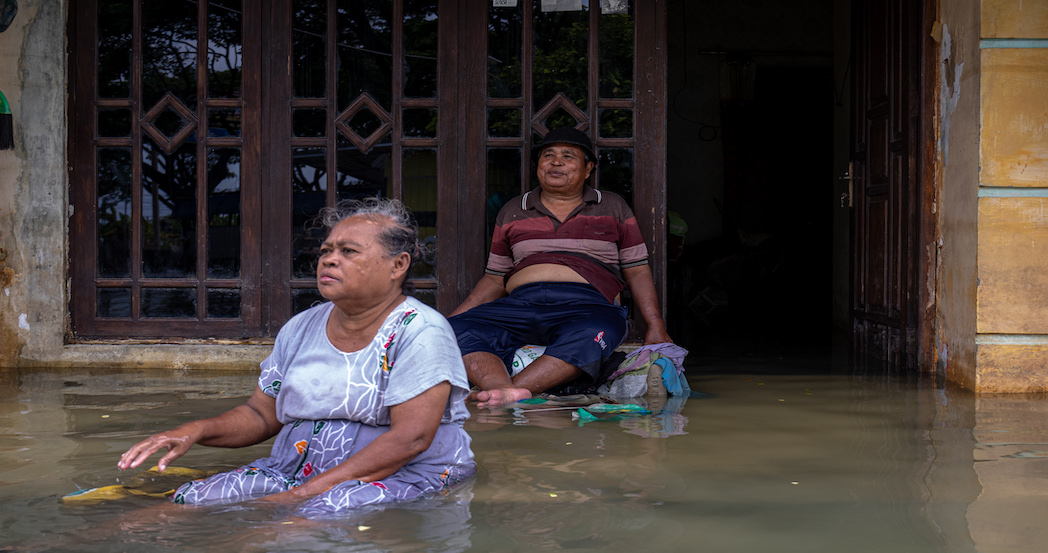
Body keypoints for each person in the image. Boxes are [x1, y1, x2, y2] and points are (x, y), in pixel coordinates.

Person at [117, 198, 474, 518]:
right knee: (191, 498)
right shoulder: (301, 327)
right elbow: (261, 415)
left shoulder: (422, 332)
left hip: (405, 474)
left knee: (313, 515)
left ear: (398, 265)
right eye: (325, 251)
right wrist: (192, 431)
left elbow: (410, 439)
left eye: (349, 251)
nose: (329, 259)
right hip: (295, 470)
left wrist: (300, 496)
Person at [449, 126, 671, 406]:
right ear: (538, 166)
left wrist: (654, 325)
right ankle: (498, 386)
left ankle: (508, 391)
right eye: (548, 155)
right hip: (520, 305)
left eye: (568, 156)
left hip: (587, 307)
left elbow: (637, 268)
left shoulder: (613, 207)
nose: (556, 161)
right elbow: (495, 279)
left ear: (588, 168)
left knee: (597, 332)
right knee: (453, 330)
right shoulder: (513, 210)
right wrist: (447, 322)